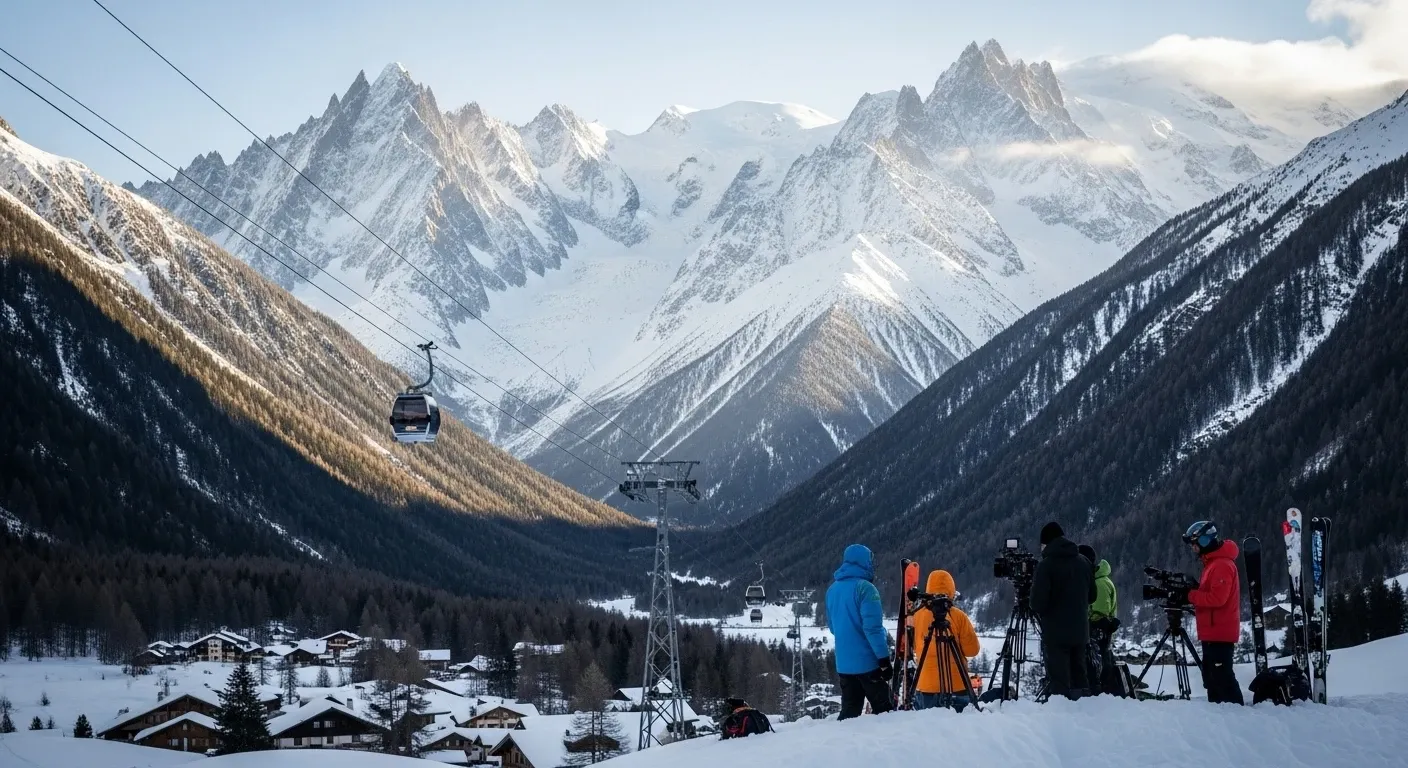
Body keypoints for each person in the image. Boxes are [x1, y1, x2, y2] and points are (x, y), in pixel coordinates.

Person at [825, 543, 893, 719]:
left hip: (844, 665)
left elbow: (833, 627)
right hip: (869, 664)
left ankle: (844, 745)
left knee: (849, 713)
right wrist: (884, 660)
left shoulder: (832, 590)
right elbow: (873, 629)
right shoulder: (866, 589)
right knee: (885, 713)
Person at [1031, 522, 1096, 700]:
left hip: (1056, 633)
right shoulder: (1084, 562)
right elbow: (1093, 596)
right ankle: (1084, 710)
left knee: (1059, 681)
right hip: (1080, 631)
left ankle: (1061, 715)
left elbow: (1037, 603)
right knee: (1079, 675)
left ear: (1046, 543)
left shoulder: (1046, 566)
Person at [1184, 520, 1245, 705]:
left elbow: (1218, 599)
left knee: (1222, 679)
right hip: (1212, 631)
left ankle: (1237, 715)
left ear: (1204, 541)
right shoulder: (1212, 564)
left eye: (1194, 544)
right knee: (1212, 679)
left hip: (1220, 632)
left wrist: (1190, 595)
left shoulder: (1221, 565)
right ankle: (1221, 716)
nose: (1193, 548)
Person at [910, 570, 981, 712]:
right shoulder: (958, 616)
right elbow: (972, 650)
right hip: (958, 687)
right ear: (951, 591)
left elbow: (911, 647)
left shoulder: (916, 616)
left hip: (925, 687)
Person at [1080, 544, 1122, 696]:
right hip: (1100, 639)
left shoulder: (1099, 583)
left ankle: (1100, 691)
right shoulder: (1099, 580)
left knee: (1100, 669)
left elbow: (1100, 615)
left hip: (1099, 637)